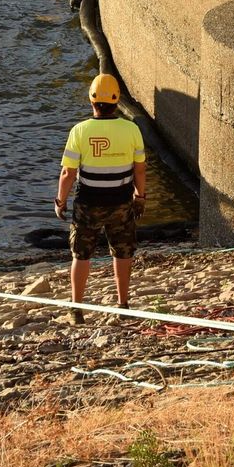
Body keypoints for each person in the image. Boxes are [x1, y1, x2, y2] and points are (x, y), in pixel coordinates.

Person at [55, 73, 146, 324]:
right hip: (122, 202)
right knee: (122, 252)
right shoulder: (132, 130)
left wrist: (60, 201)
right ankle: (123, 304)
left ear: (91, 101)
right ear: (117, 101)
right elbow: (139, 169)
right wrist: (141, 196)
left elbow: (68, 173)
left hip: (88, 204)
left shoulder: (79, 131)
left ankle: (77, 309)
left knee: (81, 255)